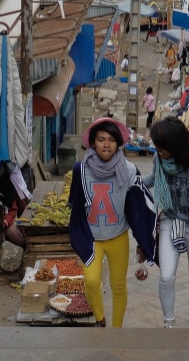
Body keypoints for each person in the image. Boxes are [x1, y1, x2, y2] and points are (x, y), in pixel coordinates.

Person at [68, 118, 157, 327]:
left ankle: (117, 329)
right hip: (91, 239)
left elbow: (137, 208)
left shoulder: (129, 170)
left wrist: (142, 244)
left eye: (110, 140)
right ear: (92, 142)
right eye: (100, 140)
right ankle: (100, 318)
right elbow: (74, 204)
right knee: (90, 281)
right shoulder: (80, 170)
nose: (106, 144)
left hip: (118, 236)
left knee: (118, 286)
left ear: (118, 143)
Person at [144, 118, 189, 328]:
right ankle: (169, 323)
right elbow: (152, 179)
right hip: (169, 220)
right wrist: (130, 180)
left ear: (175, 144)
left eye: (162, 147)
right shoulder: (160, 159)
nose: (158, 150)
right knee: (166, 276)